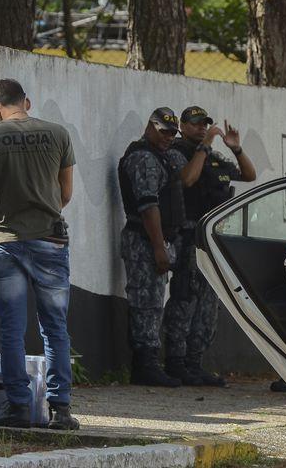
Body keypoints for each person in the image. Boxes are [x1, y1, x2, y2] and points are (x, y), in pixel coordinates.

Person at [0, 79, 79, 430]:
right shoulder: (58, 134)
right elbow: (65, 193)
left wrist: (7, 221)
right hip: (50, 240)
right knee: (55, 328)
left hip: (9, 243)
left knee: (11, 329)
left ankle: (18, 407)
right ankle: (60, 410)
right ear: (26, 102)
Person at [163, 106, 257, 386]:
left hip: (213, 238)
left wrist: (236, 149)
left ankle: (195, 361)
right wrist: (204, 146)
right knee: (185, 296)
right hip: (190, 234)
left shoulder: (213, 157)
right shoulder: (178, 152)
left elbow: (249, 176)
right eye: (194, 123)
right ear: (182, 125)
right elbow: (187, 179)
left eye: (205, 123)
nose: (201, 128)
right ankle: (176, 361)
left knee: (208, 301)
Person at [117, 107, 207, 386]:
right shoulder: (143, 157)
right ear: (150, 127)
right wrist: (158, 246)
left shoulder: (162, 156)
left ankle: (151, 362)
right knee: (146, 302)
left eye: (172, 133)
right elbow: (148, 206)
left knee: (154, 302)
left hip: (157, 238)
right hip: (144, 239)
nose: (169, 137)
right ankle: (145, 364)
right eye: (163, 131)